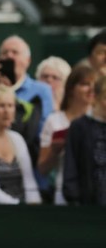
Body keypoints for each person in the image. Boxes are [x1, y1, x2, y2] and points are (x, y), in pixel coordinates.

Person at [38, 65, 96, 205]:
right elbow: (42, 169)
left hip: (97, 193)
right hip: (65, 193)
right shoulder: (54, 121)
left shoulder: (100, 120)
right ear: (71, 88)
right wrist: (54, 150)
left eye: (94, 85)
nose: (91, 89)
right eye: (85, 84)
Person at [63, 74, 106, 205]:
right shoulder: (79, 126)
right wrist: (75, 199)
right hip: (87, 205)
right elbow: (71, 165)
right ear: (97, 97)